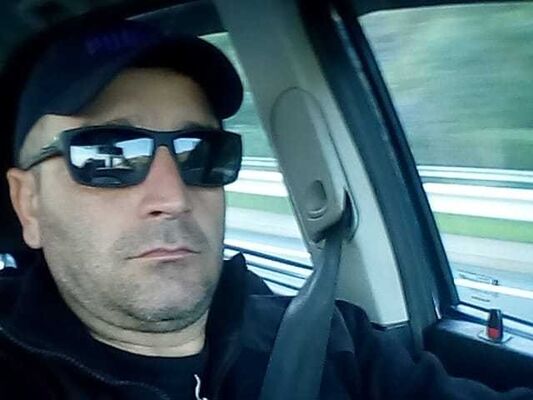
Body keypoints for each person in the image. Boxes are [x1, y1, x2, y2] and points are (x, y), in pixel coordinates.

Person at [0, 19, 531, 400]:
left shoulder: (327, 342)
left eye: (201, 155)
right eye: (108, 157)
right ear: (29, 204)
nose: (173, 197)